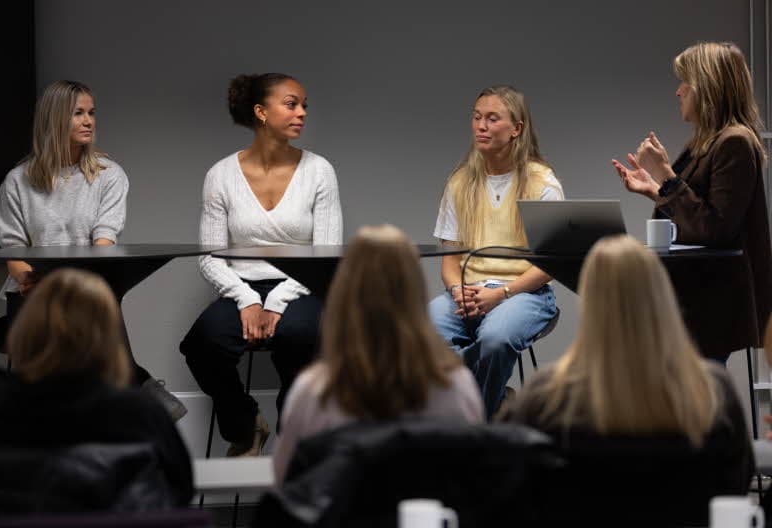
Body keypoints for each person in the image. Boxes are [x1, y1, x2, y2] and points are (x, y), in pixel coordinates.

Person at [504, 235, 753, 524]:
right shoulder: (713, 392)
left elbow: (514, 489)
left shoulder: (545, 396)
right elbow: (736, 487)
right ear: (662, 296)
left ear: (590, 302)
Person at [0, 80, 185, 420]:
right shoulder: (18, 180)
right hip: (31, 291)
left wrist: (72, 284)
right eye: (78, 113)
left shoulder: (109, 175)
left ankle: (118, 411)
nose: (89, 121)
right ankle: (142, 392)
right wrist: (29, 280)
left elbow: (103, 243)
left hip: (87, 284)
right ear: (54, 120)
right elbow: (12, 246)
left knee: (95, 304)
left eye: (92, 113)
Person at [180, 72, 342, 457]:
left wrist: (276, 302)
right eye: (291, 104)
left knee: (301, 337)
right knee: (203, 345)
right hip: (243, 290)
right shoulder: (220, 175)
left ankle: (294, 437)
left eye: (304, 106)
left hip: (304, 287)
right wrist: (247, 299)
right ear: (260, 112)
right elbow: (210, 257)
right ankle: (245, 425)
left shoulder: (319, 171)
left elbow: (327, 254)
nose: (301, 112)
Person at [273, 225, 484, 484]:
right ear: (415, 291)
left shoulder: (313, 391)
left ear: (344, 293)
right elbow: (472, 481)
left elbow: (286, 479)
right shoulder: (455, 386)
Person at [612, 41, 772, 362]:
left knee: (698, 399)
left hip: (710, 300)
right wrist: (654, 189)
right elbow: (698, 210)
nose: (678, 92)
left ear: (707, 88)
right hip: (693, 295)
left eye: (685, 83)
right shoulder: (707, 141)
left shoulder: (735, 142)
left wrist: (667, 176)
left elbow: (714, 228)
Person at [0, 269, 193, 510]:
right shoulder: (141, 413)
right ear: (111, 335)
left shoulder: (3, 406)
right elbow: (180, 490)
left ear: (25, 329)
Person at [428, 85, 563, 419]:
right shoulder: (459, 183)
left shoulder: (541, 183)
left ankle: (477, 423)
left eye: (492, 119)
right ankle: (496, 399)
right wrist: (457, 290)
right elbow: (450, 263)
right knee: (420, 337)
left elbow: (549, 265)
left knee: (496, 339)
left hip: (526, 292)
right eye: (476, 118)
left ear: (516, 128)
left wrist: (501, 294)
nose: (481, 126)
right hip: (467, 290)